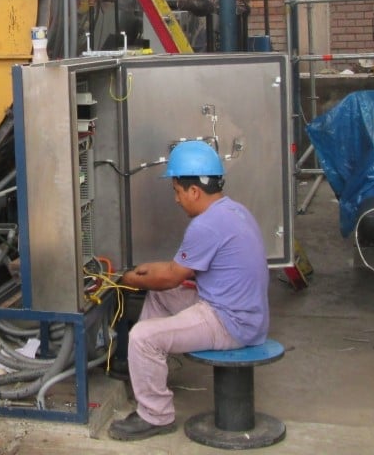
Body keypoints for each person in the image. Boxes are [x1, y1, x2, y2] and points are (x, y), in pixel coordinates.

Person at [107, 140, 270, 441]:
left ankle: (156, 415)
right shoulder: (233, 211)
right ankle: (146, 368)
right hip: (244, 312)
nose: (177, 199)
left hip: (230, 321)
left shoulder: (205, 225)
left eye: (177, 192)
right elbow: (173, 272)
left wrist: (130, 279)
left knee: (142, 336)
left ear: (194, 191)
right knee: (159, 295)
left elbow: (171, 276)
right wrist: (144, 271)